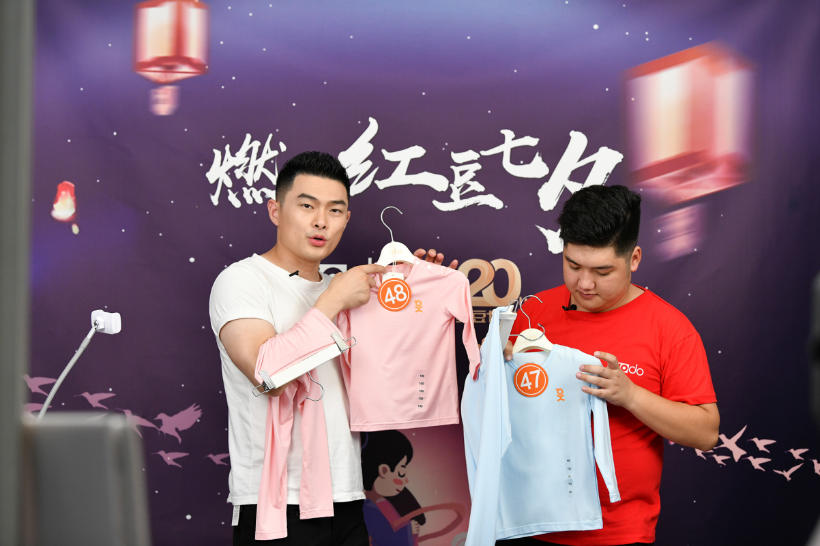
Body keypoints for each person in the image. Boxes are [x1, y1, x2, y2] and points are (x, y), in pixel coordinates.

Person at [209, 151, 454, 546]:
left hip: (348, 497)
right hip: (277, 503)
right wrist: (333, 300)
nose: (321, 221)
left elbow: (395, 382)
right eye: (307, 206)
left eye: (335, 210)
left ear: (346, 219)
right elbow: (266, 373)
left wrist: (419, 299)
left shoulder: (352, 291)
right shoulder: (242, 281)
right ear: (275, 210)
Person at [502, 185, 719, 546]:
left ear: (634, 259)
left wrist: (630, 395)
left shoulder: (670, 329)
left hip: (618, 533)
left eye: (602, 271)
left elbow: (705, 433)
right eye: (573, 265)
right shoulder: (532, 312)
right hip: (529, 522)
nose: (584, 283)